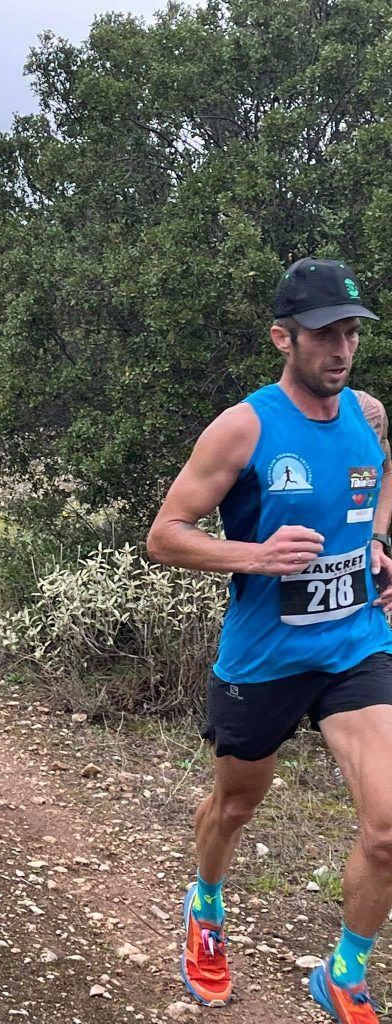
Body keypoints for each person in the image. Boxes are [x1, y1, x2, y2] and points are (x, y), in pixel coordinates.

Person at [147, 257, 392, 1023]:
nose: (341, 349)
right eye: (324, 334)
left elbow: (379, 475)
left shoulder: (368, 415)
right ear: (283, 337)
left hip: (354, 645)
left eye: (351, 332)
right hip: (265, 658)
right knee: (235, 805)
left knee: (389, 828)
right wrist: (254, 555)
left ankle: (344, 974)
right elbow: (165, 534)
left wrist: (378, 543)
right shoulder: (245, 427)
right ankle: (206, 904)